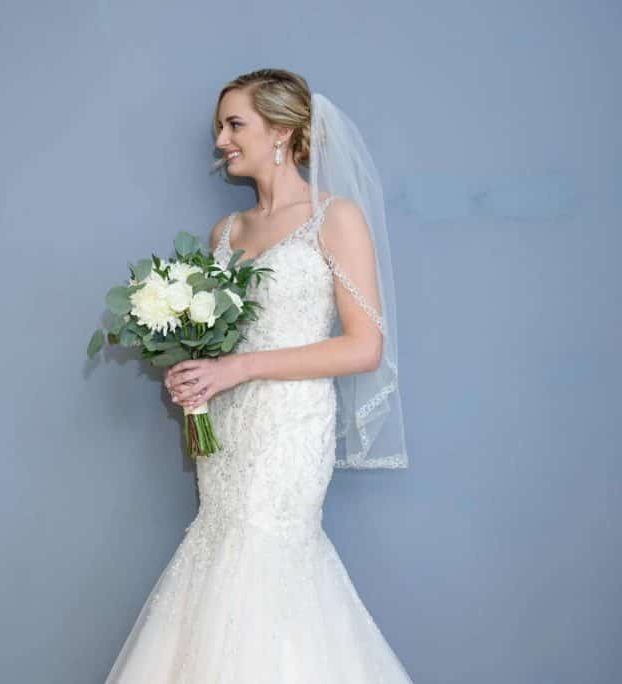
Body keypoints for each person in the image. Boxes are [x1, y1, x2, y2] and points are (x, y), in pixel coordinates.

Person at [105, 69, 413, 682]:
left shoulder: (334, 217)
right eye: (220, 127)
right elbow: (224, 339)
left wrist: (239, 367)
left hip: (289, 428)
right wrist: (197, 373)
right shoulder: (227, 233)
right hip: (228, 430)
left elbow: (364, 347)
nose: (221, 140)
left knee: (265, 553)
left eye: (234, 124)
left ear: (281, 131)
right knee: (219, 549)